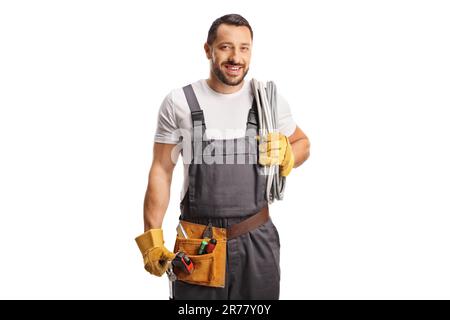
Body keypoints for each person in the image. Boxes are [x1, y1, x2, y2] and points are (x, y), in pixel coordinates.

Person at [135, 13, 310, 300]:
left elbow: (303, 143)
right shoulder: (179, 102)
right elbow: (161, 170)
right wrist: (151, 236)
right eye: (226, 47)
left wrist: (289, 151)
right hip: (199, 242)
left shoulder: (267, 99)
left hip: (257, 241)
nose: (236, 57)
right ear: (208, 50)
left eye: (244, 48)